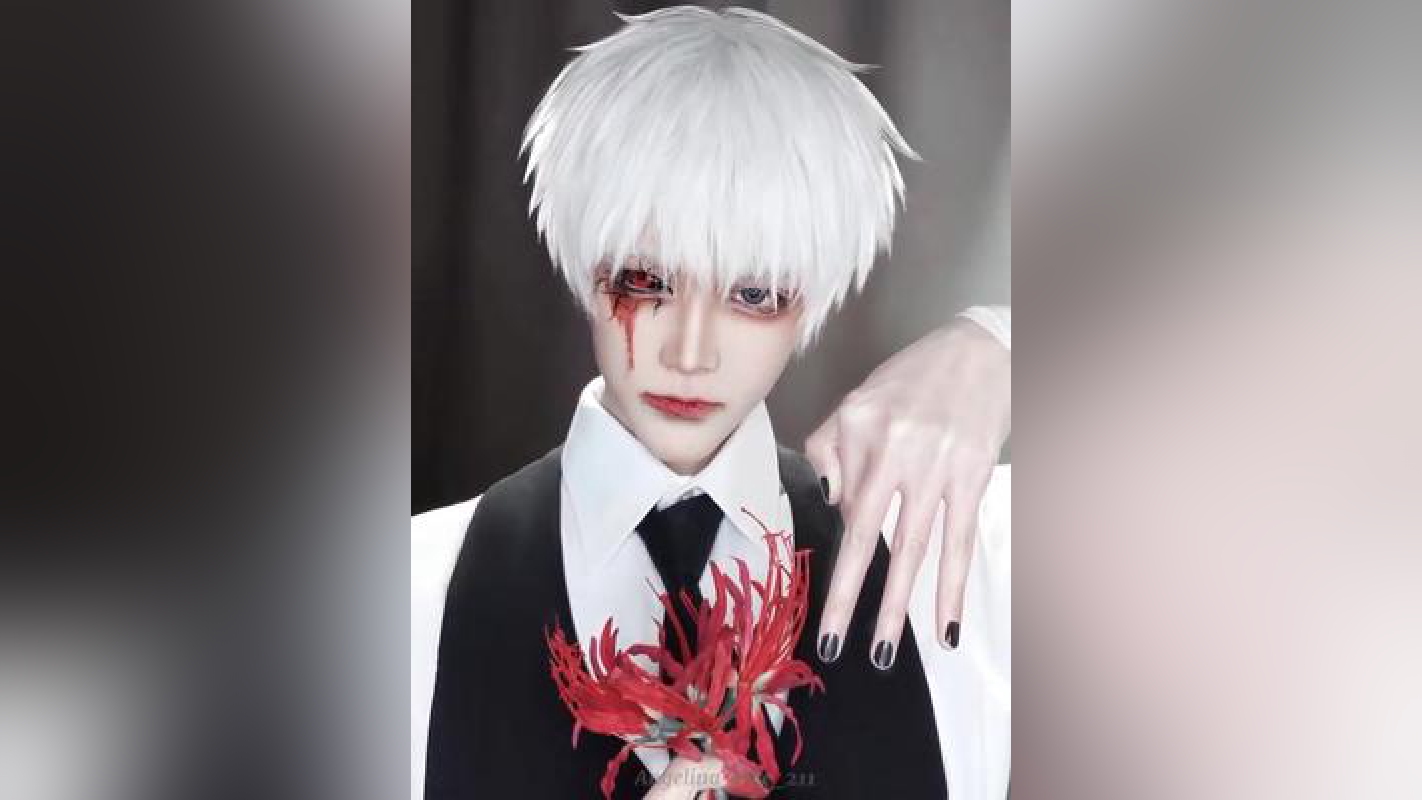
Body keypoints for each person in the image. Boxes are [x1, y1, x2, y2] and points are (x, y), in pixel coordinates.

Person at [412, 7, 1009, 799]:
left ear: (811, 297)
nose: (691, 353)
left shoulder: (957, 556)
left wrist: (992, 345)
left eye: (753, 293)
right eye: (645, 281)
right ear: (586, 265)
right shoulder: (400, 591)